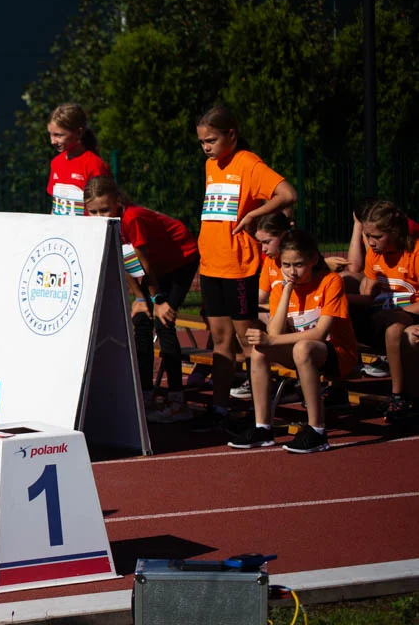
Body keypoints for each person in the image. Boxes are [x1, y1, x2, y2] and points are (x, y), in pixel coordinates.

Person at [192, 106, 297, 433]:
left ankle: (260, 416)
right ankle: (220, 408)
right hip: (212, 265)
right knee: (220, 342)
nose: (206, 147)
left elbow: (288, 194)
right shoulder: (212, 165)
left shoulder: (249, 164)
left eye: (211, 140)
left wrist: (254, 216)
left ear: (231, 135)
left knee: (249, 342)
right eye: (202, 142)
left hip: (240, 267)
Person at [83, 176, 199, 423]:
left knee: (163, 323)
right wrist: (138, 297)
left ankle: (178, 401)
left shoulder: (131, 218)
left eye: (105, 209)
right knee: (141, 323)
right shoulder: (95, 222)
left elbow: (144, 263)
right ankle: (145, 395)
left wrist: (157, 300)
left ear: (117, 201)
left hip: (179, 260)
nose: (101, 216)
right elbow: (123, 261)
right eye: (93, 211)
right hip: (150, 268)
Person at [231, 230, 358, 453]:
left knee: (302, 347)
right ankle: (263, 428)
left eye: (298, 265)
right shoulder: (281, 288)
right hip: (303, 352)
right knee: (260, 349)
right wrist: (287, 289)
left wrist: (273, 339)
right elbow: (274, 331)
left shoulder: (331, 282)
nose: (292, 271)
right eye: (286, 265)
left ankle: (317, 430)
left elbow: (319, 334)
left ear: (314, 260)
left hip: (337, 354)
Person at [358, 200, 419, 426]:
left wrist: (397, 311)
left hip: (410, 314)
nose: (371, 242)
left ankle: (399, 396)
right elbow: (367, 295)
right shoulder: (375, 254)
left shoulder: (414, 253)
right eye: (367, 236)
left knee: (397, 327)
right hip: (384, 314)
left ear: (394, 232)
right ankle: (332, 387)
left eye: (376, 237)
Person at [46, 103, 112, 216]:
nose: (52, 141)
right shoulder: (56, 163)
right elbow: (56, 206)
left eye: (58, 135)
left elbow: (106, 208)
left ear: (79, 133)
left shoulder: (95, 165)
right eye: (50, 135)